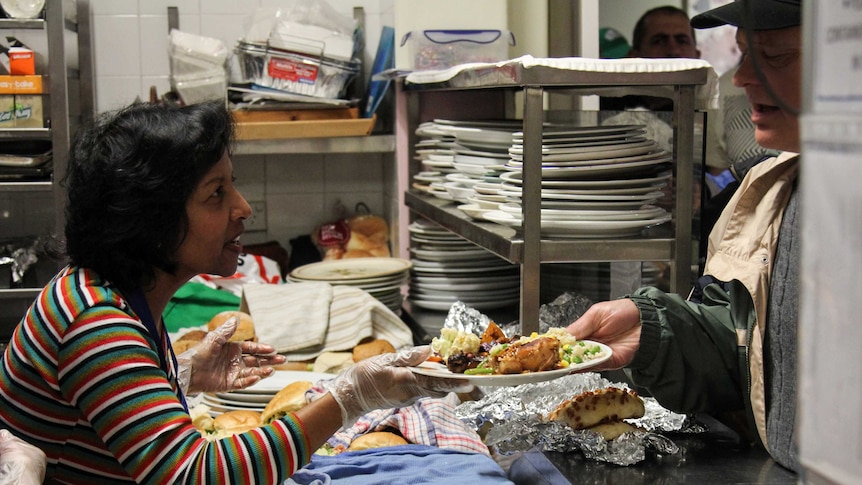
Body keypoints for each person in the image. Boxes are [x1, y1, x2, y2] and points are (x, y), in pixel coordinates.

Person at [0, 100, 469, 483]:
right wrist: (349, 398)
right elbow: (196, 476)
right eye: (215, 194)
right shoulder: (95, 321)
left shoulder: (109, 292)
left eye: (233, 186)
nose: (242, 208)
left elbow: (103, 416)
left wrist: (178, 375)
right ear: (151, 221)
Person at [568, 0, 803, 473]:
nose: (742, 78)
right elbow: (749, 348)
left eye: (775, 56)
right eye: (742, 54)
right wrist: (655, 333)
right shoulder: (772, 188)